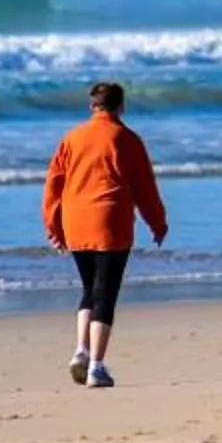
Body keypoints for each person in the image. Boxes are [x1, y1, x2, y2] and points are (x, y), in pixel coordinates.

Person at [42, 80, 168, 387]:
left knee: (90, 289)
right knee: (105, 294)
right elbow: (144, 188)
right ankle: (96, 367)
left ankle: (81, 351)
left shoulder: (72, 138)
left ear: (92, 106)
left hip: (76, 221)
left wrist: (53, 226)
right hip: (110, 222)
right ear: (121, 106)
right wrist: (157, 222)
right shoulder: (126, 138)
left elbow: (53, 186)